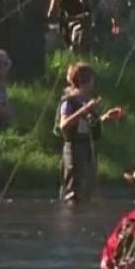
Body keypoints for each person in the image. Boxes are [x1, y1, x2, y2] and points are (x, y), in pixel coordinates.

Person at [56, 62, 124, 206]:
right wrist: (85, 110)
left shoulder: (86, 101)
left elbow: (88, 125)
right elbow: (64, 125)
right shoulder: (69, 102)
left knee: (88, 189)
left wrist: (105, 117)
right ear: (85, 81)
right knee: (74, 190)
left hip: (88, 148)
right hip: (74, 149)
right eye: (92, 79)